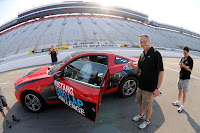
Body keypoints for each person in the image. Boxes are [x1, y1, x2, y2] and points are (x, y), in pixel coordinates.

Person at [128, 34, 164, 129]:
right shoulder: (142, 54)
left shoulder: (156, 54)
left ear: (149, 41)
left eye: (144, 41)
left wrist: (158, 88)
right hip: (141, 85)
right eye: (141, 42)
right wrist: (132, 66)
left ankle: (147, 120)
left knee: (148, 106)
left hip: (150, 87)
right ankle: (141, 115)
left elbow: (161, 72)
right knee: (140, 102)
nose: (143, 43)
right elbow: (139, 68)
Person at [173, 46, 193, 113]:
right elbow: (180, 66)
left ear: (188, 52)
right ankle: (178, 101)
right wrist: (180, 66)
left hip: (186, 79)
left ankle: (182, 105)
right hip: (181, 77)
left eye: (185, 53)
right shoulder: (182, 58)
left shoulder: (190, 60)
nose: (184, 54)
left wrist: (184, 66)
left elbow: (190, 70)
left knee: (184, 93)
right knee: (179, 90)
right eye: (183, 53)